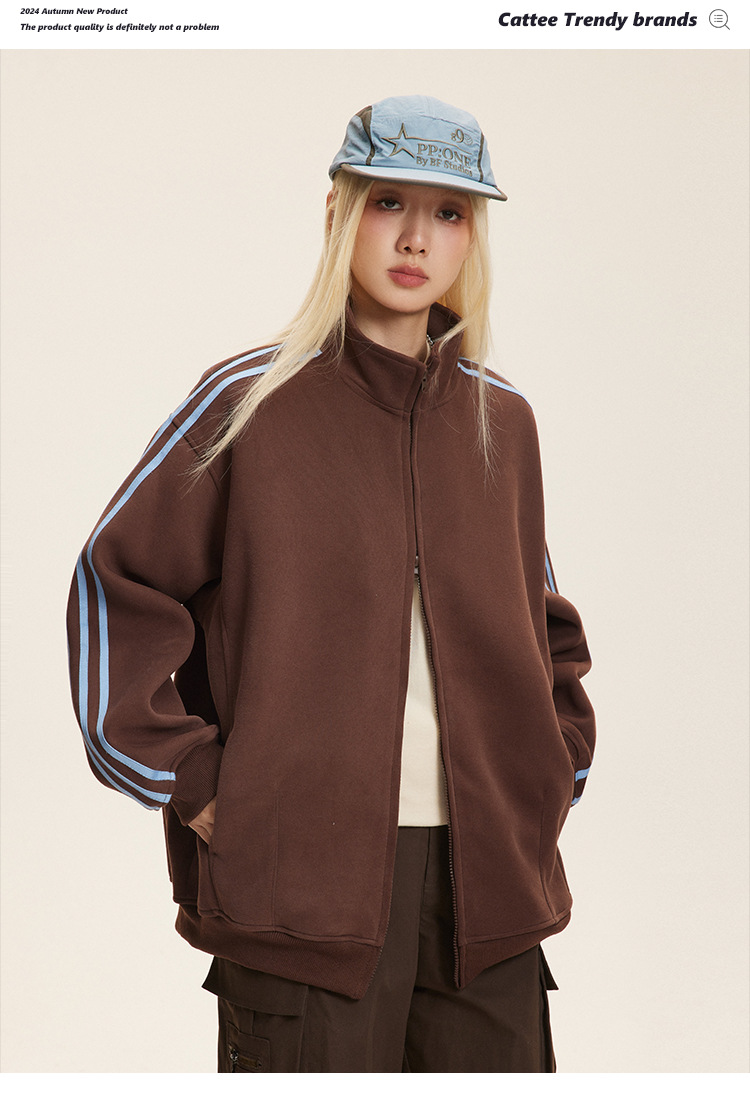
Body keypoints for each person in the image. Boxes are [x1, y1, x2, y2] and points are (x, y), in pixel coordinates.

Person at [66, 95, 596, 1073]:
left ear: (472, 236)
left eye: (448, 212)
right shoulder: (248, 403)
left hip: (492, 906)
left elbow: (545, 626)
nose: (415, 237)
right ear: (339, 213)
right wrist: (194, 781)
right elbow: (117, 581)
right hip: (297, 898)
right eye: (388, 201)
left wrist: (547, 777)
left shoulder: (503, 422)